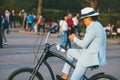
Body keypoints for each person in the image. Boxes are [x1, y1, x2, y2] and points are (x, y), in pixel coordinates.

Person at [56, 7, 107, 80]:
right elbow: (88, 42)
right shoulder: (97, 25)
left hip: (89, 57)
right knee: (70, 51)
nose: (83, 21)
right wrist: (76, 38)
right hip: (90, 53)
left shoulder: (93, 27)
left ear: (89, 18)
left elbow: (84, 44)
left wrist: (74, 39)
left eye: (84, 19)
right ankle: (65, 75)